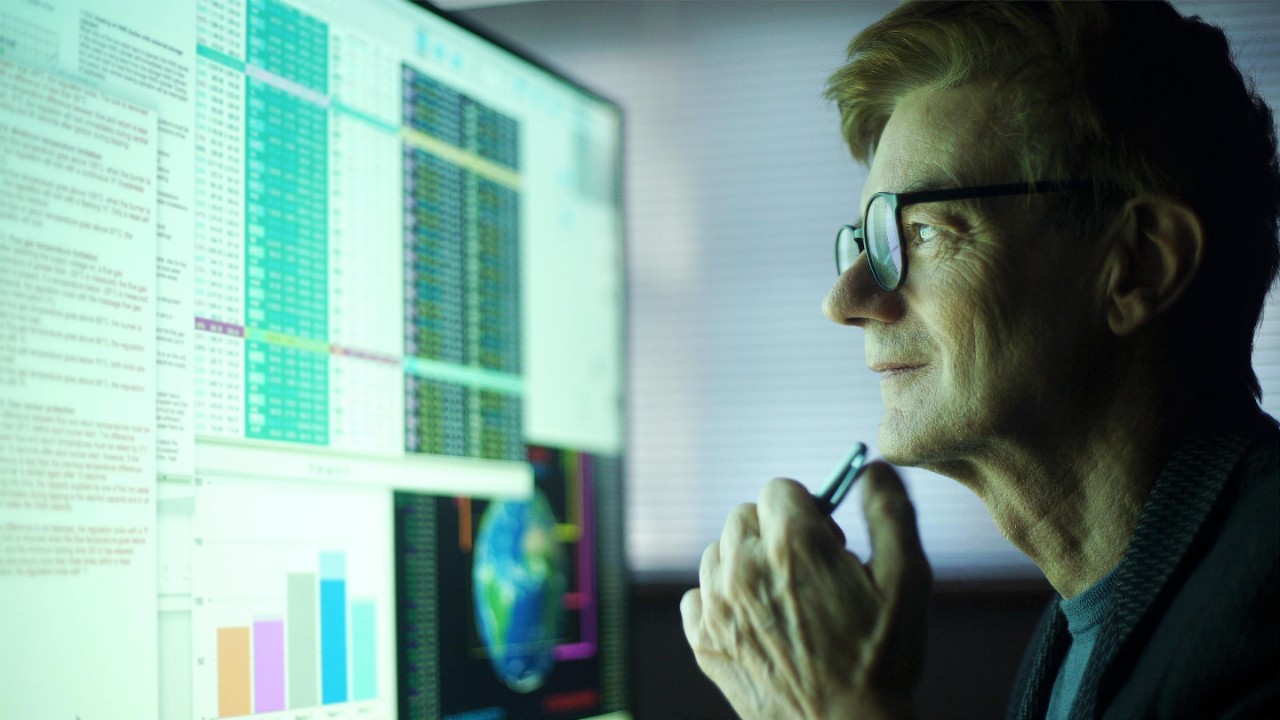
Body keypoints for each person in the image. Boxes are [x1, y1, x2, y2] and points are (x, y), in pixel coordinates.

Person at [679, 1, 1280, 718]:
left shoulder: (1266, 600)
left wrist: (839, 706)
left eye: (922, 232)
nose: (845, 299)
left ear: (1137, 265)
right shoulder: (1078, 620)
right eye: (865, 242)